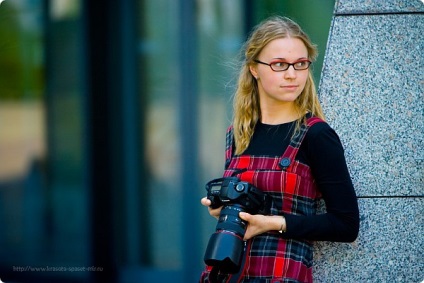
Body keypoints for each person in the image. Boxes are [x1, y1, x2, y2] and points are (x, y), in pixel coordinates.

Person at [199, 16, 360, 283]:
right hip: (226, 273)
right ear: (254, 69)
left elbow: (346, 224)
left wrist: (274, 223)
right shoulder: (237, 135)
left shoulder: (316, 135)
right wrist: (224, 209)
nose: (291, 74)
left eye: (300, 64)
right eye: (279, 64)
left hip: (282, 274)